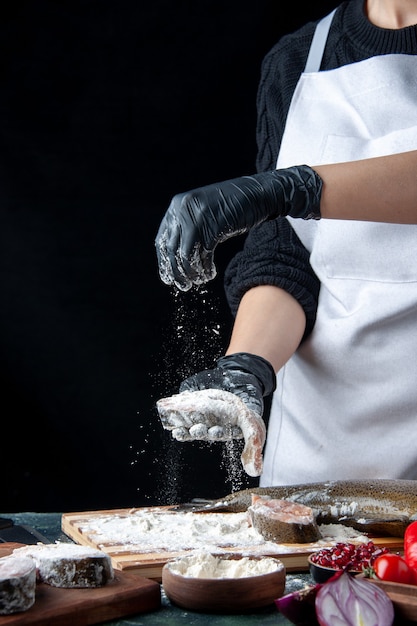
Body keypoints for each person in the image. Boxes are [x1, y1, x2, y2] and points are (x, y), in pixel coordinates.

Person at [155, 0, 417, 486]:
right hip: (326, 443)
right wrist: (247, 366)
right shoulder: (298, 58)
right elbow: (283, 254)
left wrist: (289, 188)